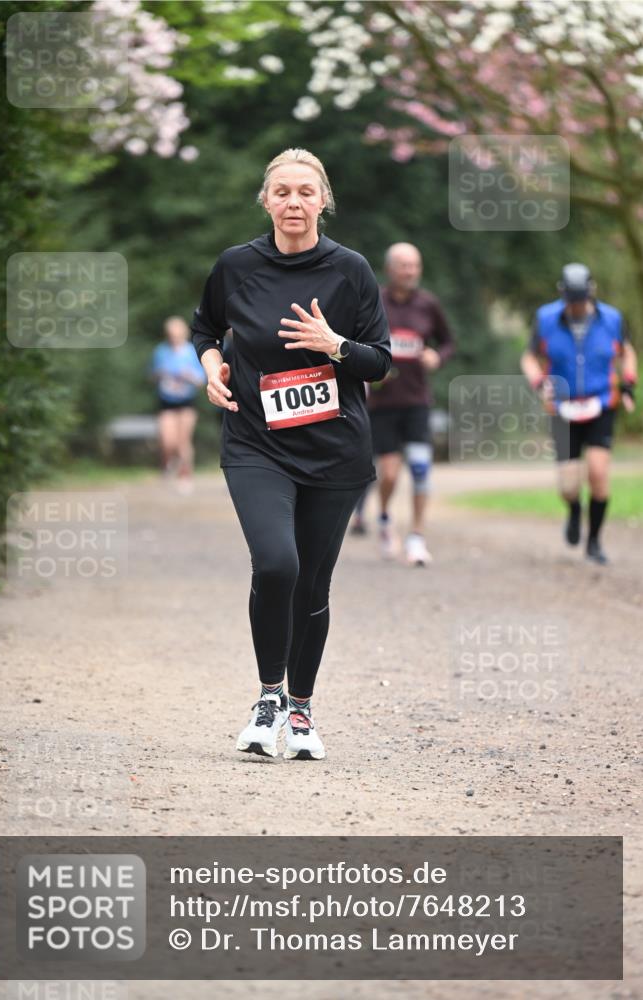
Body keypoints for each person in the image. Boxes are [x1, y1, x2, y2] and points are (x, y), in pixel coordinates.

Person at [190, 148, 391, 760]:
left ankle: (301, 711)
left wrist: (335, 345)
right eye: (283, 192)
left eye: (306, 192)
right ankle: (268, 697)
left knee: (313, 582)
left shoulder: (351, 271)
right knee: (277, 564)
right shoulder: (236, 266)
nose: (294, 203)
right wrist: (210, 365)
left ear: (323, 199)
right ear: (266, 200)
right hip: (256, 442)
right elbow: (204, 327)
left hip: (334, 451)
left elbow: (379, 361)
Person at [521, 263, 637, 564]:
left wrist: (628, 386)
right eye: (572, 302)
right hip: (563, 408)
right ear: (563, 296)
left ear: (591, 292)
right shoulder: (546, 318)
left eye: (581, 300)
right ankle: (574, 511)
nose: (577, 307)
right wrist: (539, 383)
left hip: (600, 403)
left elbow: (627, 353)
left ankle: (594, 542)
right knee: (568, 486)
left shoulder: (611, 318)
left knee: (598, 473)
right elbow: (529, 358)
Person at [351, 243, 454, 565]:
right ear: (390, 268)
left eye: (415, 266)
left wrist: (437, 356)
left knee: (422, 469)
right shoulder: (373, 302)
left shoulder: (428, 305)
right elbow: (351, 341)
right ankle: (383, 519)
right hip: (382, 404)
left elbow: (448, 341)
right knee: (391, 474)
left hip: (417, 401)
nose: (410, 272)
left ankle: (416, 538)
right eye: (404, 266)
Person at [150, 316, 206, 492]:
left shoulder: (191, 351)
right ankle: (168, 464)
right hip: (166, 401)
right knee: (167, 441)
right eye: (171, 334)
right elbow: (151, 376)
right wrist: (160, 374)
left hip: (186, 401)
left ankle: (185, 475)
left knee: (183, 441)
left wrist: (188, 375)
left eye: (177, 334)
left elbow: (201, 380)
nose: (174, 337)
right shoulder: (161, 351)